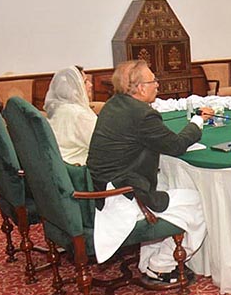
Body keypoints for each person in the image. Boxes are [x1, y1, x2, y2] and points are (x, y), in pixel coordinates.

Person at [87, 60, 213, 283]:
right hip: (123, 195)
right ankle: (161, 265)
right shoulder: (143, 114)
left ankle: (148, 263)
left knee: (168, 186)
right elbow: (175, 145)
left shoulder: (113, 104)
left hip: (104, 188)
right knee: (197, 202)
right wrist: (197, 122)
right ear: (139, 88)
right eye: (153, 81)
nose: (158, 85)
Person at [44, 65, 96, 165]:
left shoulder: (58, 110)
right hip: (79, 171)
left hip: (60, 167)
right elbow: (102, 144)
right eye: (85, 82)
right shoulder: (79, 114)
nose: (91, 85)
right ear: (74, 87)